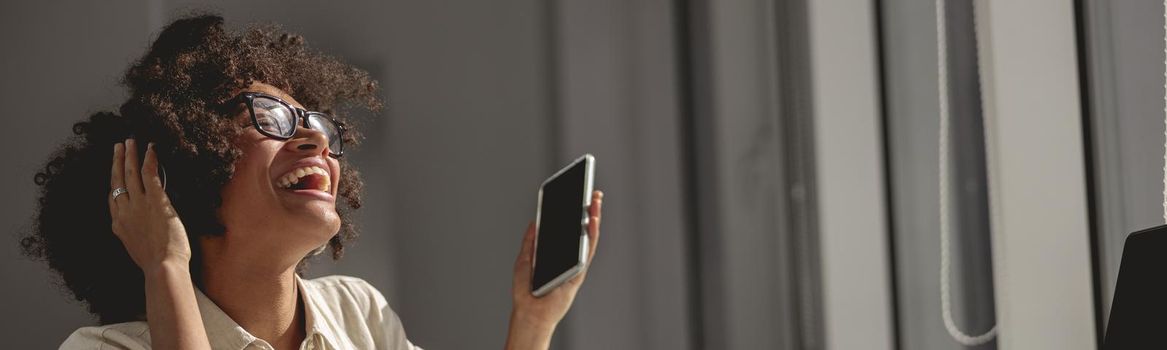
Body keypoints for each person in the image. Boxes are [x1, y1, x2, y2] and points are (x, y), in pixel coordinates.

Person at [19, 14, 603, 350]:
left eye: (320, 125)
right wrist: (165, 267)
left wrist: (532, 322)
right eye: (270, 120)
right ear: (183, 167)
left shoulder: (359, 313)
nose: (316, 141)